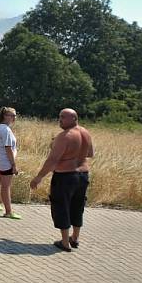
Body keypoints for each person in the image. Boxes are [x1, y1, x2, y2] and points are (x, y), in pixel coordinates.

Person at [30, 108, 94, 252]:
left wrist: (38, 177)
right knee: (78, 206)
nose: (60, 119)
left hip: (65, 176)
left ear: (74, 119)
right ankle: (75, 238)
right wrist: (75, 154)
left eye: (63, 117)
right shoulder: (85, 133)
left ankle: (65, 242)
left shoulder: (64, 136)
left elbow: (52, 160)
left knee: (61, 206)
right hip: (83, 175)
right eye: (60, 116)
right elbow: (90, 153)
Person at [0, 107, 21, 219]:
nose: (14, 118)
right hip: (5, 162)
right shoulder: (6, 130)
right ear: (4, 116)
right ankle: (8, 211)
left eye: (15, 115)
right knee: (6, 187)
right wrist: (13, 165)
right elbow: (8, 148)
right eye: (11, 115)